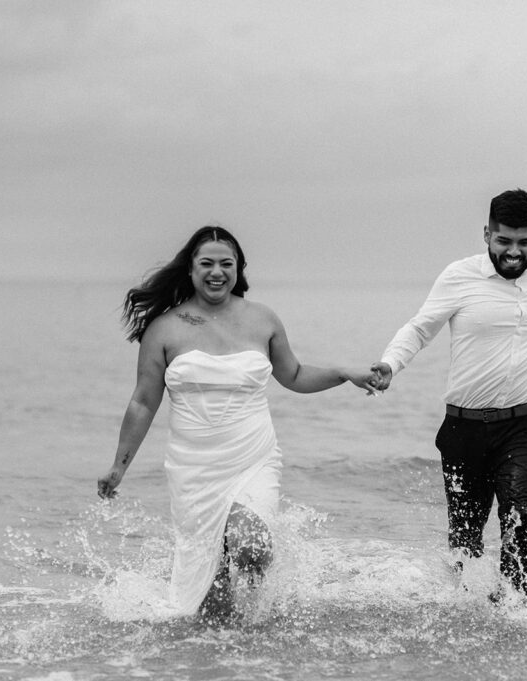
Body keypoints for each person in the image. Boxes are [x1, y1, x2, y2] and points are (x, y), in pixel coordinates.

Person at [98, 225, 378, 623]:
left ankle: (263, 605)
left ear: (238, 269)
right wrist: (118, 466)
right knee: (210, 611)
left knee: (252, 548)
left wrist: (344, 373)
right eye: (206, 263)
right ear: (191, 270)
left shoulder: (262, 319)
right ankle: (234, 645)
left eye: (225, 263)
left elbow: (294, 376)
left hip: (252, 458)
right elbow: (143, 402)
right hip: (194, 469)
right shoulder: (164, 328)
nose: (217, 272)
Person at [370, 189, 527, 598]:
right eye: (504, 241)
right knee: (466, 538)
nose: (514, 252)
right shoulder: (459, 276)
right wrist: (390, 364)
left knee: (519, 516)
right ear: (487, 234)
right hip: (464, 428)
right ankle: (468, 610)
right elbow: (421, 328)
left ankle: (515, 612)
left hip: (523, 425)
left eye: (524, 242)